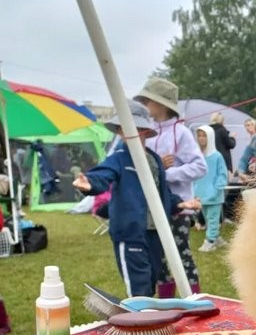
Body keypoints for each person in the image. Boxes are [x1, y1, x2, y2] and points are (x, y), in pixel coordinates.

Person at [72, 100, 199, 297]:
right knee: (139, 287)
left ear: (146, 131)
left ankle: (148, 312)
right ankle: (139, 314)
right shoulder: (119, 158)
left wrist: (179, 203)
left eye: (138, 129)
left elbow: (161, 191)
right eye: (124, 128)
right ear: (119, 131)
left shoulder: (154, 159)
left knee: (152, 278)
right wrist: (90, 183)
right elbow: (104, 173)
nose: (131, 133)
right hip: (130, 233)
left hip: (156, 232)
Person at [134, 77, 207, 297]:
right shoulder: (146, 132)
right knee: (159, 257)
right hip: (152, 206)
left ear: (162, 104)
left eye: (147, 100)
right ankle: (166, 301)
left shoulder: (181, 133)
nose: (144, 104)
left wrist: (166, 174)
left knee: (181, 254)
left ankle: (193, 300)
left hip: (178, 206)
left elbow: (200, 166)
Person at [194, 125, 228, 253]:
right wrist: (194, 190)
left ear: (211, 137)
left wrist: (216, 189)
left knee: (213, 219)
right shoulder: (197, 156)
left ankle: (210, 241)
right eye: (199, 136)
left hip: (214, 195)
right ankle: (216, 238)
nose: (201, 138)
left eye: (204, 136)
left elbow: (222, 175)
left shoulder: (217, 156)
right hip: (201, 194)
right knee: (208, 219)